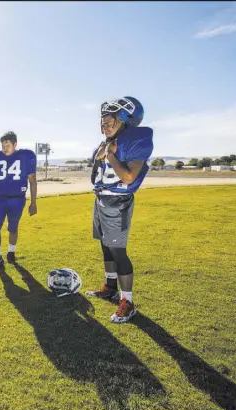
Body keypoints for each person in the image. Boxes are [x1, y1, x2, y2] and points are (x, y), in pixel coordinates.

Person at [85, 96, 153, 323]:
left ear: (124, 119)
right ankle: (110, 287)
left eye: (109, 120)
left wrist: (111, 155)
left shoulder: (136, 140)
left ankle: (128, 302)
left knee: (118, 251)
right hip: (102, 199)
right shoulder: (103, 144)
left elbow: (128, 176)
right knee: (105, 247)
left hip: (118, 204)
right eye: (102, 121)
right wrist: (101, 156)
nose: (104, 125)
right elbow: (95, 176)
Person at [0, 131, 37, 269]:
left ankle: (11, 252)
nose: (4, 148)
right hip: (0, 198)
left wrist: (33, 202)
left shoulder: (25, 156)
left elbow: (32, 181)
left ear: (15, 144)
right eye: (2, 145)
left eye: (7, 145)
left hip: (18, 199)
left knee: (13, 228)